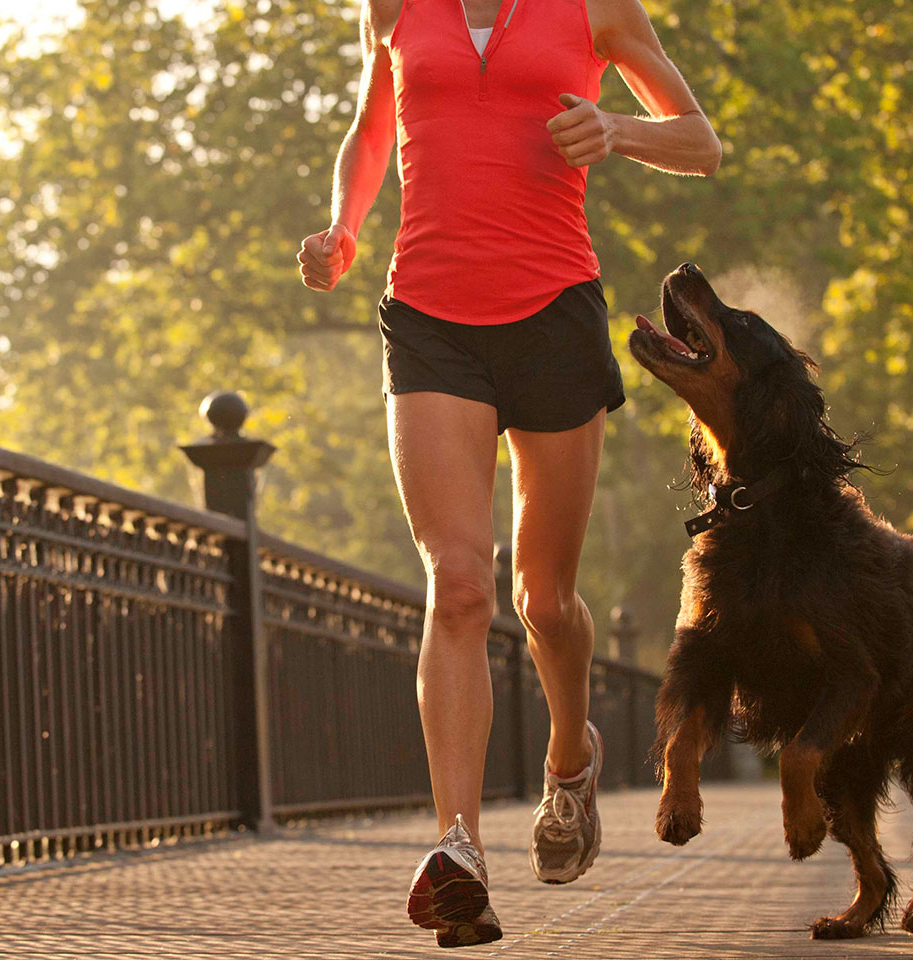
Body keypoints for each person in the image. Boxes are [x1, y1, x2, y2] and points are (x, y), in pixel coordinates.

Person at [298, 0, 720, 947]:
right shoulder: (393, 8)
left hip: (552, 316)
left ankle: (570, 762)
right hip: (429, 316)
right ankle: (459, 853)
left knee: (546, 602)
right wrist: (343, 229)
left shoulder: (597, 8)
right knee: (457, 586)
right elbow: (372, 131)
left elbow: (702, 143)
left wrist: (616, 128)